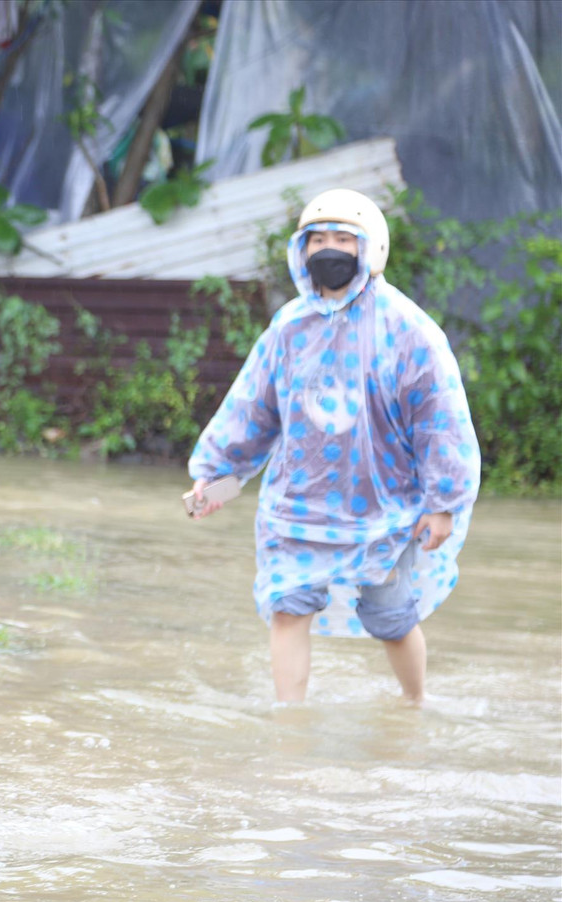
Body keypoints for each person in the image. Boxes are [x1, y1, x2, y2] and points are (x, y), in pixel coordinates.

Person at [187, 189, 479, 704]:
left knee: (390, 618)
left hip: (385, 508)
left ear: (371, 248)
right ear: (300, 250)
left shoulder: (407, 330)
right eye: (317, 239)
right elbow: (253, 407)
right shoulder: (290, 328)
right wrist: (214, 476)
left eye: (344, 238)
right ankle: (288, 727)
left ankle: (414, 708)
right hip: (298, 505)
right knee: (287, 606)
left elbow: (441, 422)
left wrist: (443, 504)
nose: (330, 249)